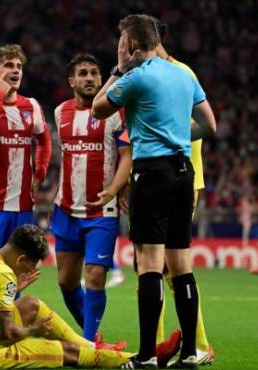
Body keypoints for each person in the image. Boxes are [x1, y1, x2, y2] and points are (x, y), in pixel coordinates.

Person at [92, 14, 217, 369]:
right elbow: (210, 124)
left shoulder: (135, 77)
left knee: (149, 264)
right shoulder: (184, 73)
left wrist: (117, 69)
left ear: (130, 44)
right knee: (181, 264)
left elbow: (99, 109)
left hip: (152, 172)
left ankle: (147, 355)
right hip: (183, 170)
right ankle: (192, 352)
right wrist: (177, 135)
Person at [0, 224, 136, 369]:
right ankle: (131, 359)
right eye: (30, 265)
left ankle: (92, 346)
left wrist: (11, 291)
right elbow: (6, 336)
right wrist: (34, 331)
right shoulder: (2, 274)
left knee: (31, 304)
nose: (30, 270)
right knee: (67, 351)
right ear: (20, 259)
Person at [51, 54, 132, 342]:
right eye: (83, 73)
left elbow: (126, 156)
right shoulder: (61, 113)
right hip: (66, 210)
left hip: (102, 212)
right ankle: (94, 338)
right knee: (65, 281)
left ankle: (87, 344)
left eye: (94, 73)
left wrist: (115, 188)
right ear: (71, 81)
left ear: (101, 79)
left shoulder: (115, 113)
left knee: (96, 276)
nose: (89, 78)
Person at [149, 16, 215, 366]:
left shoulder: (180, 73)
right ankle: (162, 344)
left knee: (168, 265)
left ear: (155, 39)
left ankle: (196, 344)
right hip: (152, 177)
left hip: (181, 178)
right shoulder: (148, 74)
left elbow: (206, 124)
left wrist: (170, 133)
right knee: (152, 266)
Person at [0, 44, 52, 254]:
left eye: (19, 66)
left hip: (23, 207)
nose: (16, 70)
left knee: (16, 271)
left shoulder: (31, 106)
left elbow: (44, 141)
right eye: (9, 65)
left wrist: (40, 173)